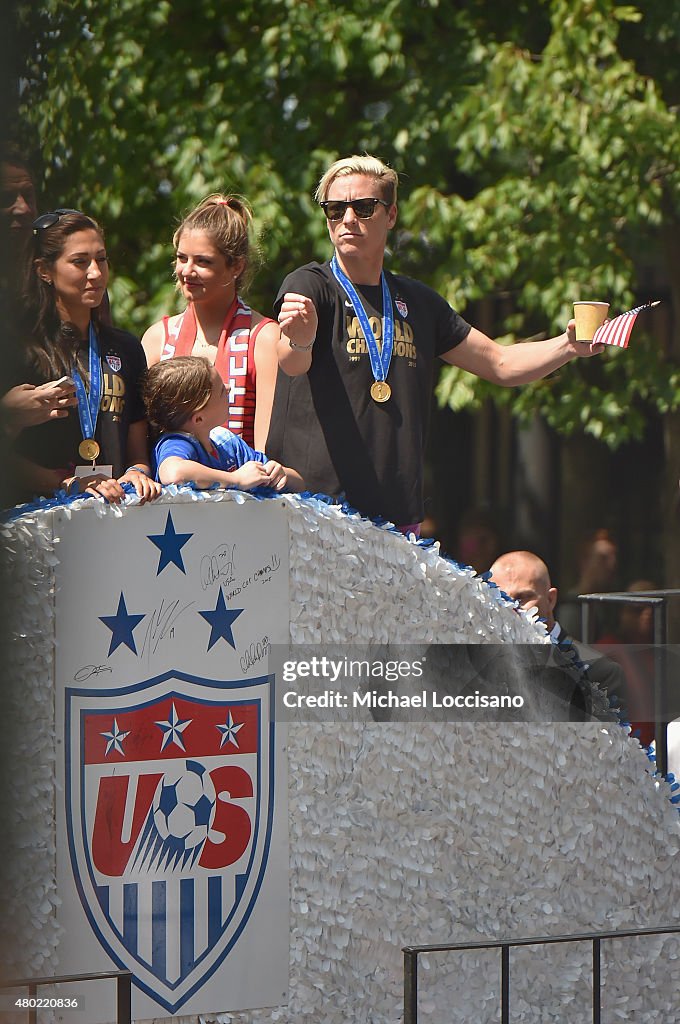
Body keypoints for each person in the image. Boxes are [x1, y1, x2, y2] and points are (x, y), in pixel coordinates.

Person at [266, 154, 604, 533]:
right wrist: (300, 341)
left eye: (363, 208)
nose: (347, 220)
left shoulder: (419, 301)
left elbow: (500, 364)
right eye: (334, 209)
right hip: (318, 508)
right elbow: (292, 364)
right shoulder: (310, 285)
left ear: (391, 215)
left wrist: (569, 346)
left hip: (394, 517)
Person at [9, 209, 160, 504]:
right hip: (35, 524)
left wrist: (136, 473)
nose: (96, 272)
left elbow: (138, 454)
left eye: (101, 259)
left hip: (112, 514)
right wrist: (67, 484)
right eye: (80, 262)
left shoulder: (126, 347)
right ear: (44, 270)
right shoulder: (19, 349)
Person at [142, 194, 280, 450]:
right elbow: (140, 438)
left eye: (203, 261)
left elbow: (266, 451)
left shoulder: (263, 338)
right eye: (182, 258)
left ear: (236, 266)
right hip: (166, 484)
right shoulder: (157, 338)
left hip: (242, 485)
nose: (187, 271)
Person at [489, 550, 628, 714]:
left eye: (522, 598)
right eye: (501, 599)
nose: (511, 608)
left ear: (550, 599)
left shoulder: (599, 673)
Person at [143, 355, 304, 493]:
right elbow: (173, 473)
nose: (228, 388)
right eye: (221, 391)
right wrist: (235, 479)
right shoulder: (177, 442)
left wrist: (281, 474)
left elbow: (300, 484)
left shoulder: (226, 442)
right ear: (199, 419)